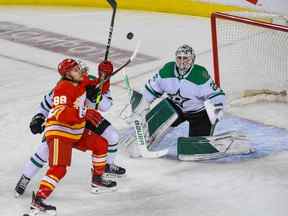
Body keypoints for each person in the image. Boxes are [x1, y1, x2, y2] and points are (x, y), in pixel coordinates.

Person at [15, 60, 125, 198]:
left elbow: (105, 105)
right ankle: (25, 177)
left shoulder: (87, 80)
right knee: (44, 151)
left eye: (79, 68)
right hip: (65, 122)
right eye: (76, 69)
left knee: (112, 136)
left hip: (87, 119)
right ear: (68, 74)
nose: (80, 71)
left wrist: (104, 78)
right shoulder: (62, 87)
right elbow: (48, 105)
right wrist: (39, 117)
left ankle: (105, 168)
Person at [142, 44, 225, 140]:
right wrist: (142, 106)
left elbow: (216, 94)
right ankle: (145, 137)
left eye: (185, 58)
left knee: (196, 146)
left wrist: (217, 109)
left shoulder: (199, 74)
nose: (182, 61)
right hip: (174, 107)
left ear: (192, 59)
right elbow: (151, 89)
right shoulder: (167, 70)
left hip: (198, 113)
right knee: (149, 128)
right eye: (179, 58)